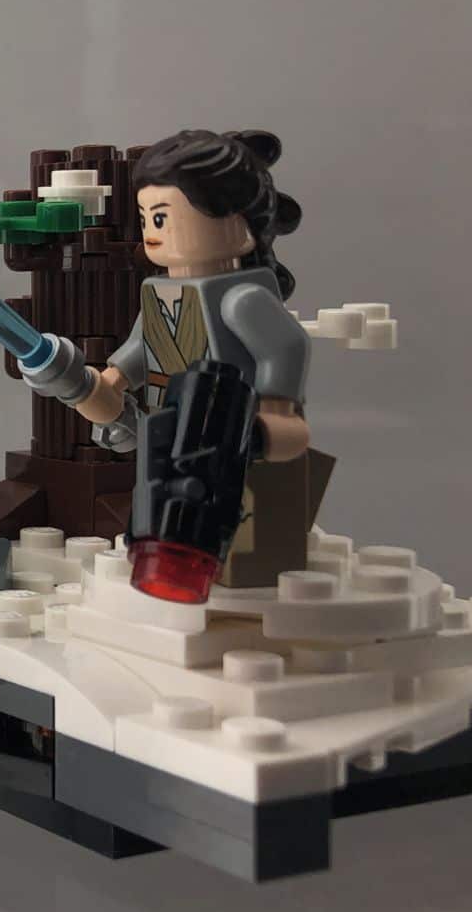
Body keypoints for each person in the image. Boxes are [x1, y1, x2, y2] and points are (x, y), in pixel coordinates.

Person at [71, 128, 323, 588]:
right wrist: (112, 381)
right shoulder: (161, 290)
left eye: (163, 218)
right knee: (164, 507)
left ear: (236, 224)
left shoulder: (241, 298)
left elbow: (286, 346)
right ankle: (164, 561)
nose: (151, 233)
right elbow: (145, 343)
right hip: (169, 423)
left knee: (243, 522)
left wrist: (277, 409)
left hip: (228, 430)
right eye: (146, 218)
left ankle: (233, 570)